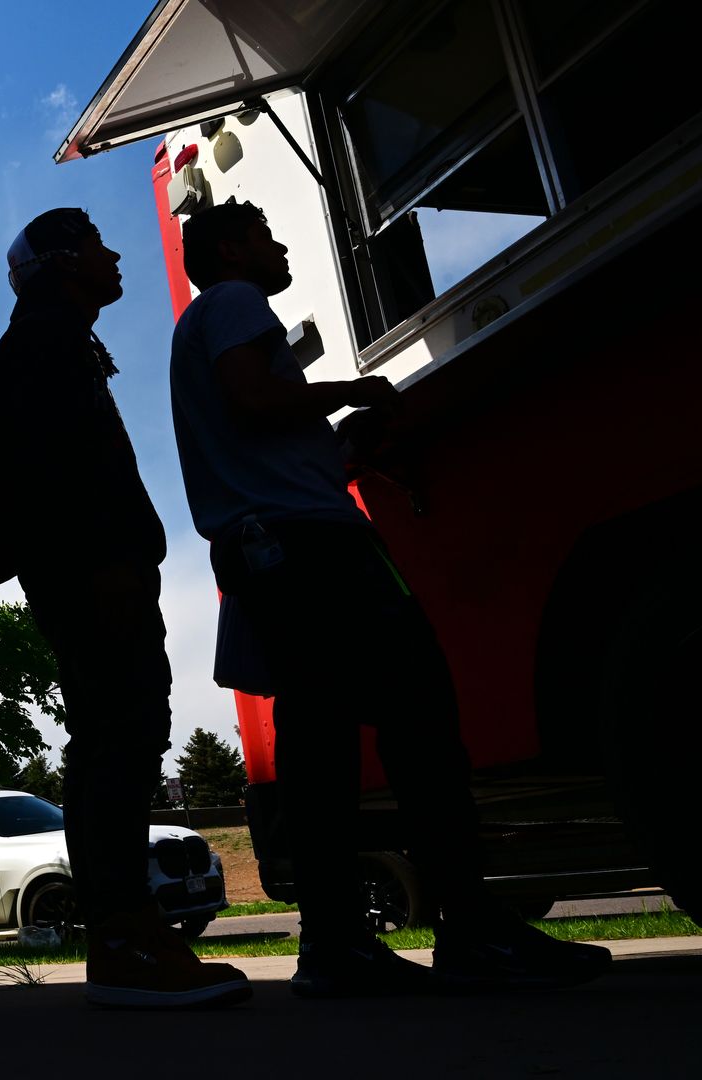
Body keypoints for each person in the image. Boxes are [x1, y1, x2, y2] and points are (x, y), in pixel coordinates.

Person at [169, 199, 611, 996]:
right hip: (313, 549)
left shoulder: (201, 325)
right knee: (421, 717)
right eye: (266, 236)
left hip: (275, 547)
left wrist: (343, 448)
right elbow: (254, 399)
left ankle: (337, 942)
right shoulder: (234, 305)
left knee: (323, 742)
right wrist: (356, 391)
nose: (279, 249)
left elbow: (268, 440)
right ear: (233, 250)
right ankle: (470, 926)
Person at [0, 208, 251, 1009]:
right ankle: (125, 937)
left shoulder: (57, 341)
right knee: (119, 739)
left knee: (114, 738)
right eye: (96, 243)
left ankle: (126, 934)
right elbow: (54, 482)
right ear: (64, 263)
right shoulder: (43, 346)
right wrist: (103, 568)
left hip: (100, 573)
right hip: (95, 577)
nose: (116, 253)